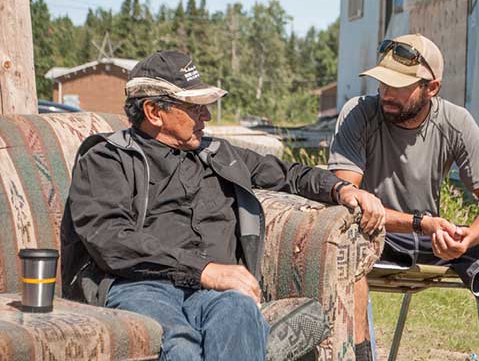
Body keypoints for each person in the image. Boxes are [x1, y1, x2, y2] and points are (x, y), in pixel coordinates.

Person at [61, 50, 386, 361]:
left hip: (217, 294)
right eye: (195, 106)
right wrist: (203, 270)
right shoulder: (107, 159)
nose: (207, 115)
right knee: (179, 345)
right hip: (142, 287)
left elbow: (288, 174)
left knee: (240, 314)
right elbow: (111, 238)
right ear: (153, 112)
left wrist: (340, 189)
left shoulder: (218, 153)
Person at [329, 34, 479, 361]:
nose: (386, 93)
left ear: (432, 88)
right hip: (374, 233)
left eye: (399, 85)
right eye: (382, 82)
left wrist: (468, 238)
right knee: (346, 248)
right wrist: (418, 223)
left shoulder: (456, 122)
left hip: (431, 237)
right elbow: (348, 200)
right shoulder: (359, 114)